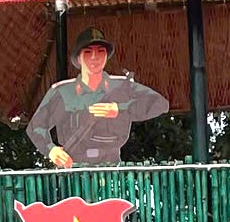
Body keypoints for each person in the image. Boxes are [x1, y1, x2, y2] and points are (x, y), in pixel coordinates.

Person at [27, 28, 169, 167]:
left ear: (106, 56)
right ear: (78, 58)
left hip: (111, 168)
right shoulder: (62, 92)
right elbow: (35, 127)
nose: (95, 57)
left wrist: (120, 109)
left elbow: (160, 104)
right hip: (73, 168)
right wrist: (51, 150)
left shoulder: (122, 87)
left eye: (101, 51)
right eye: (88, 52)